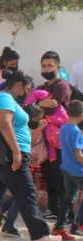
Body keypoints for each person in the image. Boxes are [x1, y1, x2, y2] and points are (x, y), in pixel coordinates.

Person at [0, 69, 61, 241]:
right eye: (26, 88)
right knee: (26, 192)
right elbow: (4, 124)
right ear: (19, 85)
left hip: (2, 155)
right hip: (10, 154)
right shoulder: (5, 99)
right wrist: (16, 151)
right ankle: (40, 235)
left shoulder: (2, 99)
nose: (27, 92)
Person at [37, 51, 75, 221]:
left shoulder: (62, 86)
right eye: (44, 66)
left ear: (58, 67)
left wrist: (38, 106)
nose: (47, 68)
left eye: (50, 65)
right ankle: (54, 209)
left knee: (60, 176)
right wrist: (39, 104)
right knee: (49, 175)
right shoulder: (41, 88)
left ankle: (65, 213)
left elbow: (52, 108)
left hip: (60, 139)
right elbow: (29, 108)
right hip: (44, 138)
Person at [51, 100, 83, 240]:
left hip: (66, 168)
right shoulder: (76, 131)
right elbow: (78, 154)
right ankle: (80, 223)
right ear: (81, 115)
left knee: (68, 198)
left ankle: (59, 227)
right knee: (70, 197)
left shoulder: (64, 127)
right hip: (77, 170)